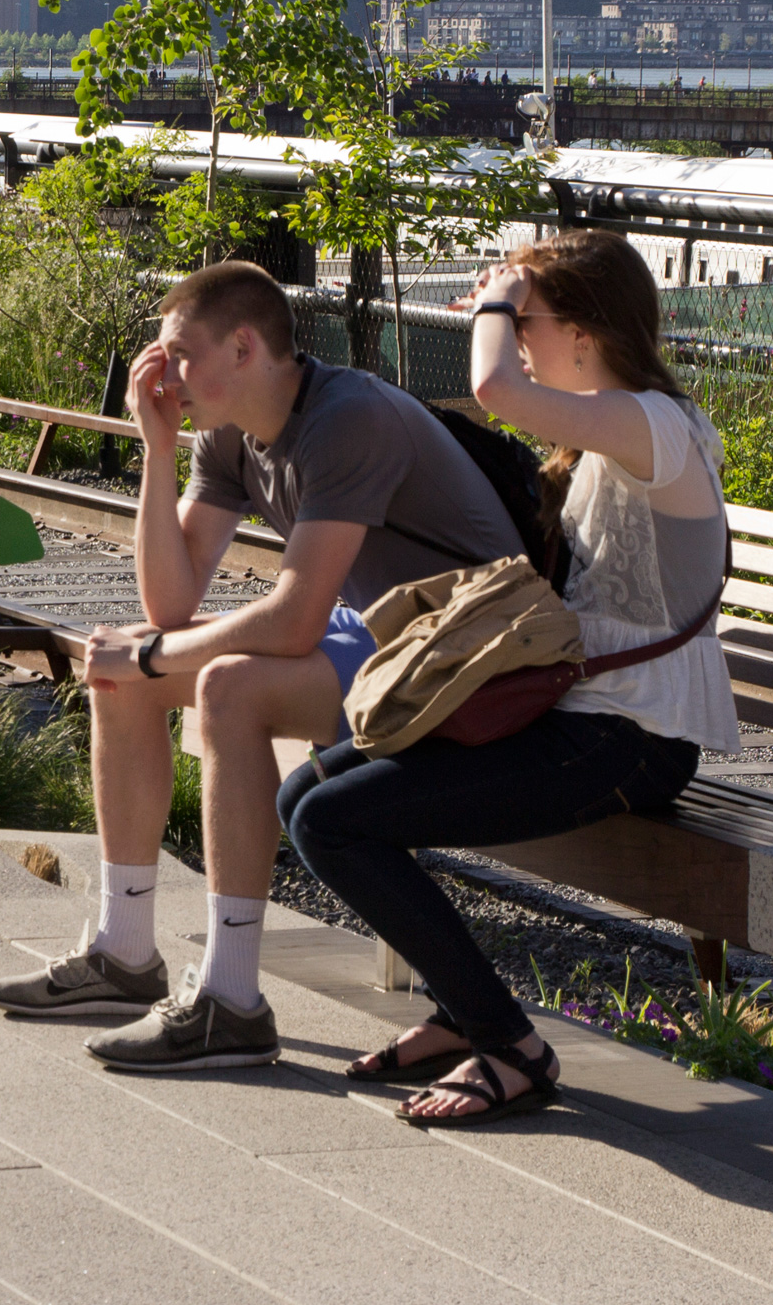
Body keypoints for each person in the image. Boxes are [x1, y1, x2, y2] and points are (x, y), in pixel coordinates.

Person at [0, 261, 526, 1071]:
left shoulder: (349, 418)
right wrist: (158, 449)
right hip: (385, 635)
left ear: (243, 347)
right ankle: (123, 953)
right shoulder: (229, 434)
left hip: (470, 650)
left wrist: (157, 653)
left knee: (225, 685)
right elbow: (169, 604)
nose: (163, 374)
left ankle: (230, 1000)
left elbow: (295, 616)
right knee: (116, 671)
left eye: (179, 355)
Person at [285, 230, 738, 1127]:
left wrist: (497, 295)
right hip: (583, 718)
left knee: (337, 823)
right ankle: (462, 1015)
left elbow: (495, 389)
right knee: (307, 796)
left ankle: (510, 1046)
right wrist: (514, 296)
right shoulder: (607, 435)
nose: (515, 335)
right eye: (514, 321)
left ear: (584, 330)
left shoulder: (656, 424)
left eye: (527, 319)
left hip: (636, 736)